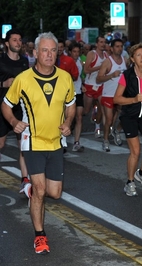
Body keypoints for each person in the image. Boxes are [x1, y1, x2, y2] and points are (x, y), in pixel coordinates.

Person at [2, 32, 76, 254]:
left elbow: (71, 106)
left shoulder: (65, 78)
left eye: (53, 50)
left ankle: (33, 194)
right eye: (44, 50)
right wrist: (14, 121)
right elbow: (6, 105)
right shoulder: (23, 79)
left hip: (55, 143)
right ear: (35, 53)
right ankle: (40, 236)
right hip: (32, 141)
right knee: (40, 190)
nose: (49, 54)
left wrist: (69, 121)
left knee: (54, 193)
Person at [113, 43, 142, 196]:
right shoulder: (127, 75)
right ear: (132, 59)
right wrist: (133, 99)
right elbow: (117, 99)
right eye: (139, 55)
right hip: (130, 116)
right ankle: (130, 182)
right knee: (136, 151)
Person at [0, 28, 30, 196]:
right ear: (7, 43)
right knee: (1, 144)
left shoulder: (25, 62)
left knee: (23, 146)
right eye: (14, 40)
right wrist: (3, 84)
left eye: (20, 40)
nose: (18, 43)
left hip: (20, 109)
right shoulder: (1, 60)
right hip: (2, 108)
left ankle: (25, 180)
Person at [96, 38, 127, 151]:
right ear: (112, 48)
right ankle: (105, 140)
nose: (119, 48)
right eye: (117, 46)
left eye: (121, 46)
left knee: (126, 116)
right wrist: (112, 75)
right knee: (109, 120)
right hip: (108, 94)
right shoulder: (107, 62)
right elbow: (98, 78)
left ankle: (116, 130)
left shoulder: (125, 60)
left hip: (121, 94)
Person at [83, 36, 108, 138]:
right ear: (97, 44)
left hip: (101, 85)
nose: (103, 44)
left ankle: (98, 127)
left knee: (103, 108)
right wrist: (100, 67)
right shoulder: (92, 54)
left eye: (104, 42)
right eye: (101, 42)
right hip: (90, 85)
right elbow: (86, 70)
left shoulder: (106, 55)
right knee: (86, 111)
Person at [69, 42, 85, 152]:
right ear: (70, 52)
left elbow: (80, 76)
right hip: (67, 93)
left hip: (78, 91)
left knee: (79, 116)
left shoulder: (80, 62)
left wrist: (83, 84)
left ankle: (76, 142)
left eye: (78, 52)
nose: (76, 54)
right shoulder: (66, 61)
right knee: (68, 118)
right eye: (74, 51)